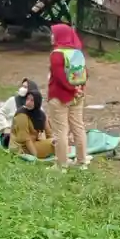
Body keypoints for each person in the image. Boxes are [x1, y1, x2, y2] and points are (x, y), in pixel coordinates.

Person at [47, 23, 89, 171]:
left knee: (60, 131)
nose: (51, 36)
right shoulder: (77, 53)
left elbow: (59, 78)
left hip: (60, 96)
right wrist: (78, 89)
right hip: (78, 96)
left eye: (54, 34)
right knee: (78, 127)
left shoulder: (57, 54)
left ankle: (61, 164)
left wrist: (70, 90)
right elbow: (84, 74)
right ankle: (82, 162)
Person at [8, 83, 54, 159]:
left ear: (37, 102)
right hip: (21, 148)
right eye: (27, 99)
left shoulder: (41, 115)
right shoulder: (22, 114)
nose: (28, 102)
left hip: (34, 143)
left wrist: (53, 142)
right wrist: (35, 157)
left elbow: (49, 133)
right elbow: (26, 139)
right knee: (59, 146)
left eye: (32, 100)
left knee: (58, 142)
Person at [0, 80, 32, 148]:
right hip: (10, 133)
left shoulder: (35, 103)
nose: (23, 89)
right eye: (22, 86)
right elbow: (0, 114)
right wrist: (5, 127)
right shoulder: (12, 100)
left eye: (26, 87)